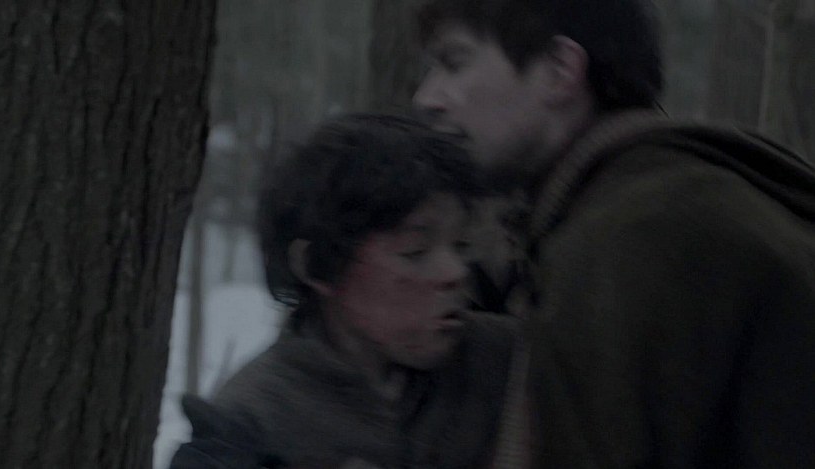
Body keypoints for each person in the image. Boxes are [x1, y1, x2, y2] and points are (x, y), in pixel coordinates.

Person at [413, 0, 815, 467]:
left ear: (560, 70)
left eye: (454, 62)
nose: (427, 98)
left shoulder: (636, 238)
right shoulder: (672, 199)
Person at [170, 114, 515, 468]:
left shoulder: (505, 362)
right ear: (317, 265)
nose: (456, 272)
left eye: (460, 246)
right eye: (415, 252)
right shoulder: (253, 420)